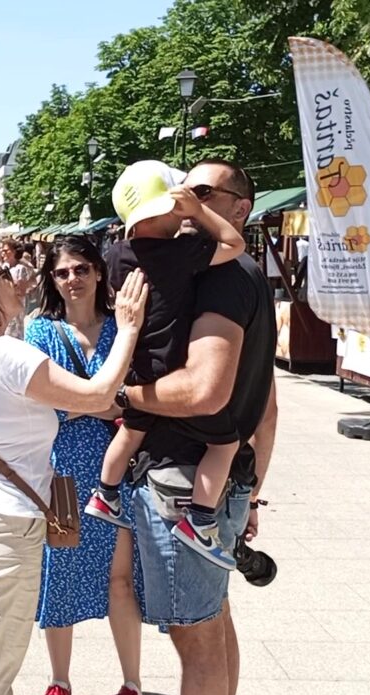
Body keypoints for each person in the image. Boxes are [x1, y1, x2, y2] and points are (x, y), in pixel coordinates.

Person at [0, 246, 147, 695]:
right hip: (4, 527)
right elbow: (98, 396)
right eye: (4, 275)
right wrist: (127, 329)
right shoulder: (8, 354)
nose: (15, 282)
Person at [122, 158, 277, 695]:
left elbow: (204, 390)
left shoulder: (220, 275)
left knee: (198, 639)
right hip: (213, 480)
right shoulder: (237, 270)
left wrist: (123, 397)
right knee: (214, 619)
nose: (186, 196)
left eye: (204, 191)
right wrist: (251, 492)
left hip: (181, 481)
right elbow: (268, 407)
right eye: (182, 185)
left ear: (241, 207)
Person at [88, 160, 248, 571]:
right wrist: (200, 212)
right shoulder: (179, 253)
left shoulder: (116, 254)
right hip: (170, 370)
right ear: (167, 207)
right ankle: (201, 520)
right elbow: (234, 243)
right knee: (225, 443)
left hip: (137, 363)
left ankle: (105, 494)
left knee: (131, 431)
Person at [24, 238, 145, 695]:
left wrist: (87, 402)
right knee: (60, 575)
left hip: (120, 471)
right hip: (64, 472)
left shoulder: (123, 327)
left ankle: (132, 684)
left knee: (121, 580)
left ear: (98, 271)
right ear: (51, 281)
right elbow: (45, 402)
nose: (72, 279)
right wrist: (106, 402)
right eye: (61, 272)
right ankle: (59, 682)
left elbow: (136, 395)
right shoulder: (41, 331)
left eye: (80, 269)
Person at [0, 238, 37, 338]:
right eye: (2, 250)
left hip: (15, 304)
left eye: (6, 250)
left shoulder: (20, 268)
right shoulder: (4, 266)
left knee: (13, 332)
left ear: (14, 251)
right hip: (4, 305)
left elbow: (21, 291)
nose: (3, 253)